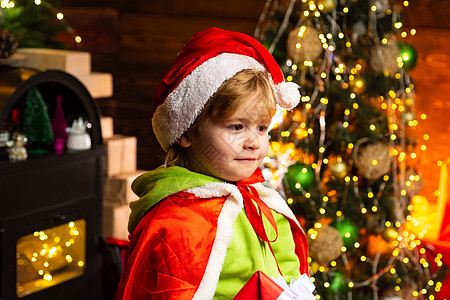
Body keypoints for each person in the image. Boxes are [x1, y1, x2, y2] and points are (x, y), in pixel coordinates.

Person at [114, 27, 311, 299]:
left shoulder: (264, 205)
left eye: (263, 128)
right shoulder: (176, 223)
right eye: (237, 126)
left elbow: (289, 270)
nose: (254, 142)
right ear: (186, 132)